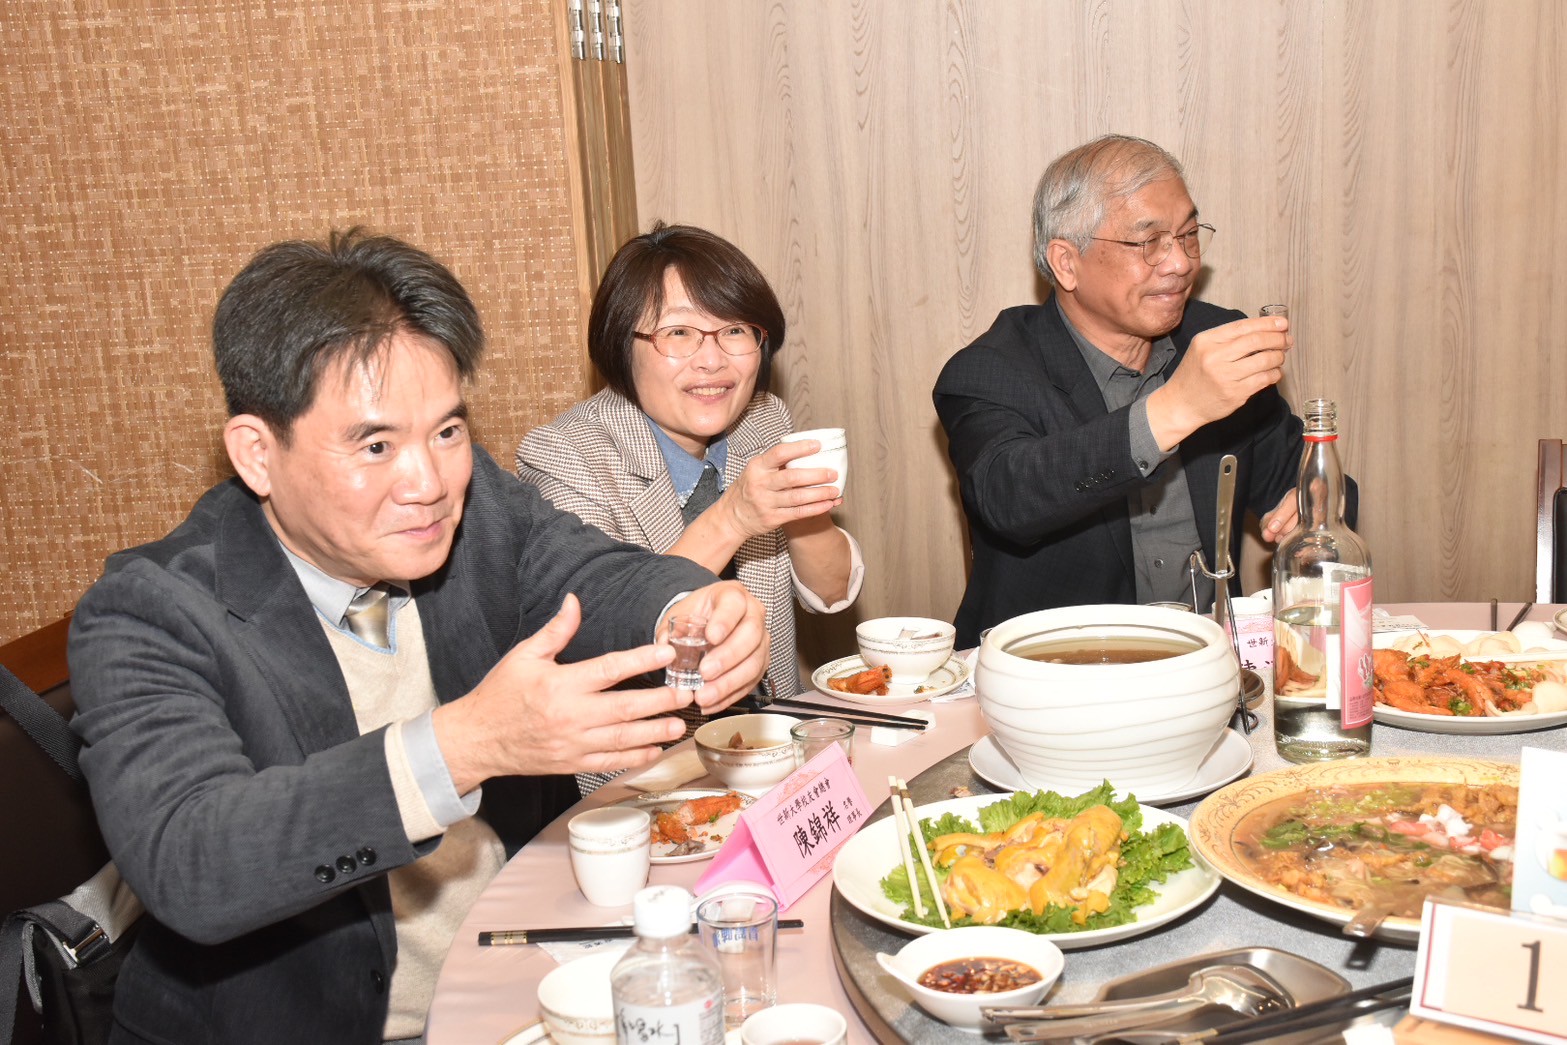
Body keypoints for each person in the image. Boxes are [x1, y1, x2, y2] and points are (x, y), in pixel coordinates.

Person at [65, 229, 767, 1045]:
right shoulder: (149, 612)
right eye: (376, 445)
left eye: (446, 431)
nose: (428, 483)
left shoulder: (476, 513)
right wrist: (465, 745)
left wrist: (687, 609)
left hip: (518, 986)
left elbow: (595, 573)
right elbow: (193, 859)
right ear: (257, 453)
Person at [934, 134, 1323, 647]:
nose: (1180, 262)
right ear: (1066, 262)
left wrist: (1313, 505)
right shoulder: (990, 370)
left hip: (1210, 664)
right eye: (1148, 242)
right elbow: (1009, 498)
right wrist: (1176, 408)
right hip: (1056, 670)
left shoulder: (1214, 339)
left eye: (1188, 235)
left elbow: (1306, 476)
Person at [517, 222, 862, 713]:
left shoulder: (764, 421)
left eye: (735, 330)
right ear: (621, 343)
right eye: (679, 333)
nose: (712, 361)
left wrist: (804, 510)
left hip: (772, 733)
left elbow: (831, 593)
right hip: (650, 745)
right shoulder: (566, 455)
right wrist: (733, 518)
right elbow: (596, 639)